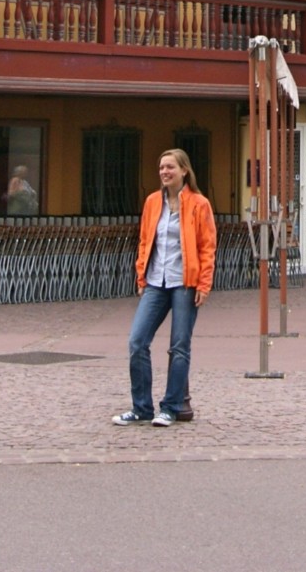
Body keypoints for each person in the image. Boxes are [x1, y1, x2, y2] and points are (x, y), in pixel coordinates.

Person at [113, 148, 215, 428]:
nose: (164, 172)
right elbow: (145, 241)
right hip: (156, 281)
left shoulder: (199, 204)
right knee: (137, 342)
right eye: (161, 168)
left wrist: (204, 283)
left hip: (185, 283)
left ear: (184, 170)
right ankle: (141, 407)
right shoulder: (152, 202)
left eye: (170, 167)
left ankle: (170, 407)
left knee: (179, 347)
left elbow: (207, 247)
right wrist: (141, 277)